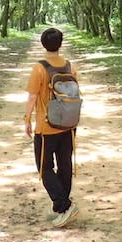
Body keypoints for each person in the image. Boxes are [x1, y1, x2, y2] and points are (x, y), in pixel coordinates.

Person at [23, 27, 80, 228]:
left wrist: (27, 118)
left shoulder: (40, 68)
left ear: (43, 44)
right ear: (61, 44)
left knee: (44, 167)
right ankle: (60, 207)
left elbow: (32, 96)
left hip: (46, 127)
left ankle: (65, 205)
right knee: (64, 164)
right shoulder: (69, 66)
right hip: (69, 124)